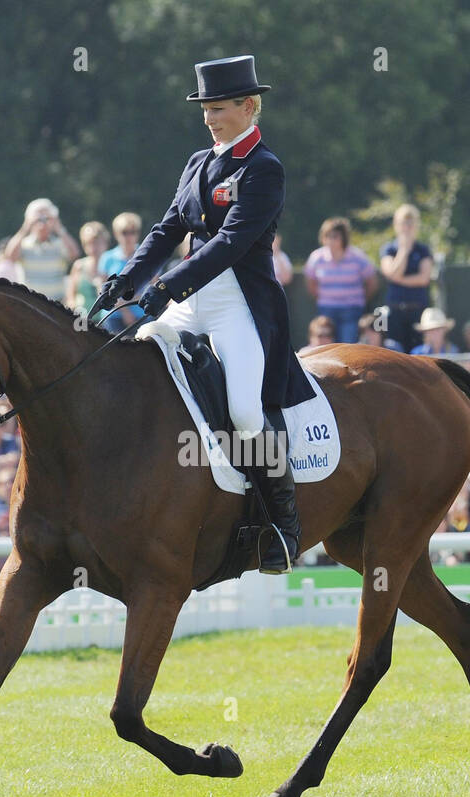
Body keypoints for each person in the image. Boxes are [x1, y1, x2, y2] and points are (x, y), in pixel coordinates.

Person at [95, 55, 315, 573]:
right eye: (205, 110)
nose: (211, 118)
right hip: (192, 299)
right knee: (135, 366)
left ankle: (281, 525)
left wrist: (167, 285)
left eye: (219, 109)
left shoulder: (264, 168)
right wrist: (128, 279)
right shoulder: (198, 162)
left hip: (238, 302)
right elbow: (168, 228)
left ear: (249, 106)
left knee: (242, 410)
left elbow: (231, 242)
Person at [304, 217, 377, 344]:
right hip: (326, 310)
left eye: (335, 236)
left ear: (344, 237)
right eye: (328, 236)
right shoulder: (316, 257)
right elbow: (311, 282)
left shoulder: (358, 257)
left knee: (347, 346)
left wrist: (358, 300)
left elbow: (372, 282)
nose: (331, 240)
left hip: (351, 310)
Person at [379, 204, 435, 352]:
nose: (407, 227)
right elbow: (390, 272)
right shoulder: (389, 249)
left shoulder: (423, 250)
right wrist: (403, 251)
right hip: (395, 311)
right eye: (403, 223)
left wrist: (399, 279)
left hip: (417, 310)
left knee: (418, 352)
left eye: (411, 223)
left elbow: (424, 278)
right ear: (396, 225)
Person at [0, 199, 79, 302]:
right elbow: (9, 257)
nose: (42, 223)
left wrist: (59, 228)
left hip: (57, 304)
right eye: (38, 219)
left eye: (46, 218)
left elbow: (75, 254)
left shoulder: (60, 244)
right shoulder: (23, 244)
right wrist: (25, 227)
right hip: (30, 303)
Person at [97, 213, 144, 331]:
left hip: (141, 316)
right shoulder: (107, 258)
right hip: (113, 316)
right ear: (116, 233)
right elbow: (102, 289)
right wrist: (125, 310)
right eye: (124, 232)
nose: (128, 236)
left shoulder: (145, 255)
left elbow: (153, 284)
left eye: (132, 231)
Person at [66, 221, 110, 313]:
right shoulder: (78, 266)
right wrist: (74, 307)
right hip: (81, 320)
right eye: (88, 243)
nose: (93, 248)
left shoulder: (111, 265)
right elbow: (70, 297)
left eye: (96, 242)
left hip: (105, 320)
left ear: (105, 243)